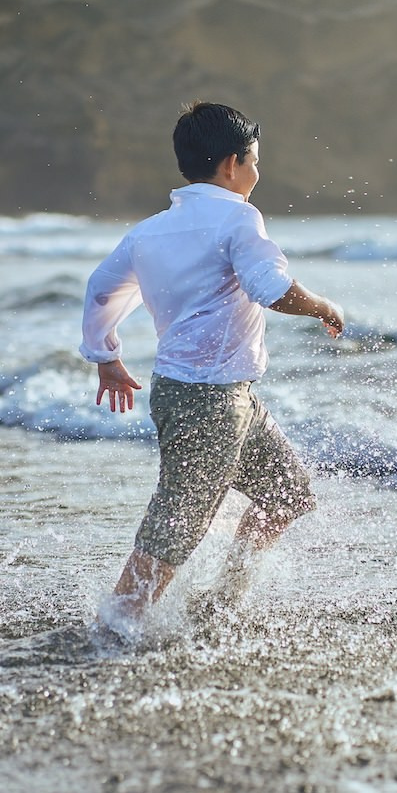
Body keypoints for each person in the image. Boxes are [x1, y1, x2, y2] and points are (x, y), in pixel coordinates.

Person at [80, 101, 344, 635]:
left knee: (287, 493)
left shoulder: (151, 231)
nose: (257, 172)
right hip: (210, 401)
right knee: (177, 523)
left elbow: (100, 289)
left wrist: (106, 356)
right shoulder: (239, 217)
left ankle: (223, 603)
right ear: (231, 164)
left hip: (221, 396)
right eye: (254, 160)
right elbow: (271, 289)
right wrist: (324, 307)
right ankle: (116, 625)